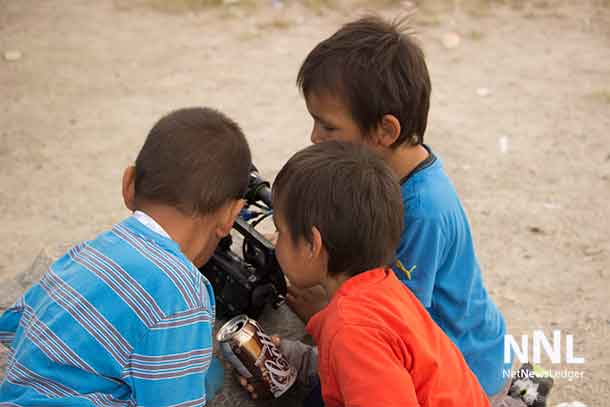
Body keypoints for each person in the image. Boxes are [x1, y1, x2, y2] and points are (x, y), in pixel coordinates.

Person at [286, 15, 551, 407]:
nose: (314, 137)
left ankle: (516, 396)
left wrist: (325, 312)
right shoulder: (384, 177)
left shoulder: (422, 210)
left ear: (385, 131)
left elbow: (393, 327)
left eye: (327, 126)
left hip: (466, 371)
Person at [0, 107, 250, 406]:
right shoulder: (183, 293)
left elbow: (14, 324)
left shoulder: (89, 252)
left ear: (128, 184)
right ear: (231, 215)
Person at [251, 140, 490, 406]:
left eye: (281, 231)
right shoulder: (386, 288)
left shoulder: (351, 328)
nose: (276, 241)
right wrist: (303, 360)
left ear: (312, 245)